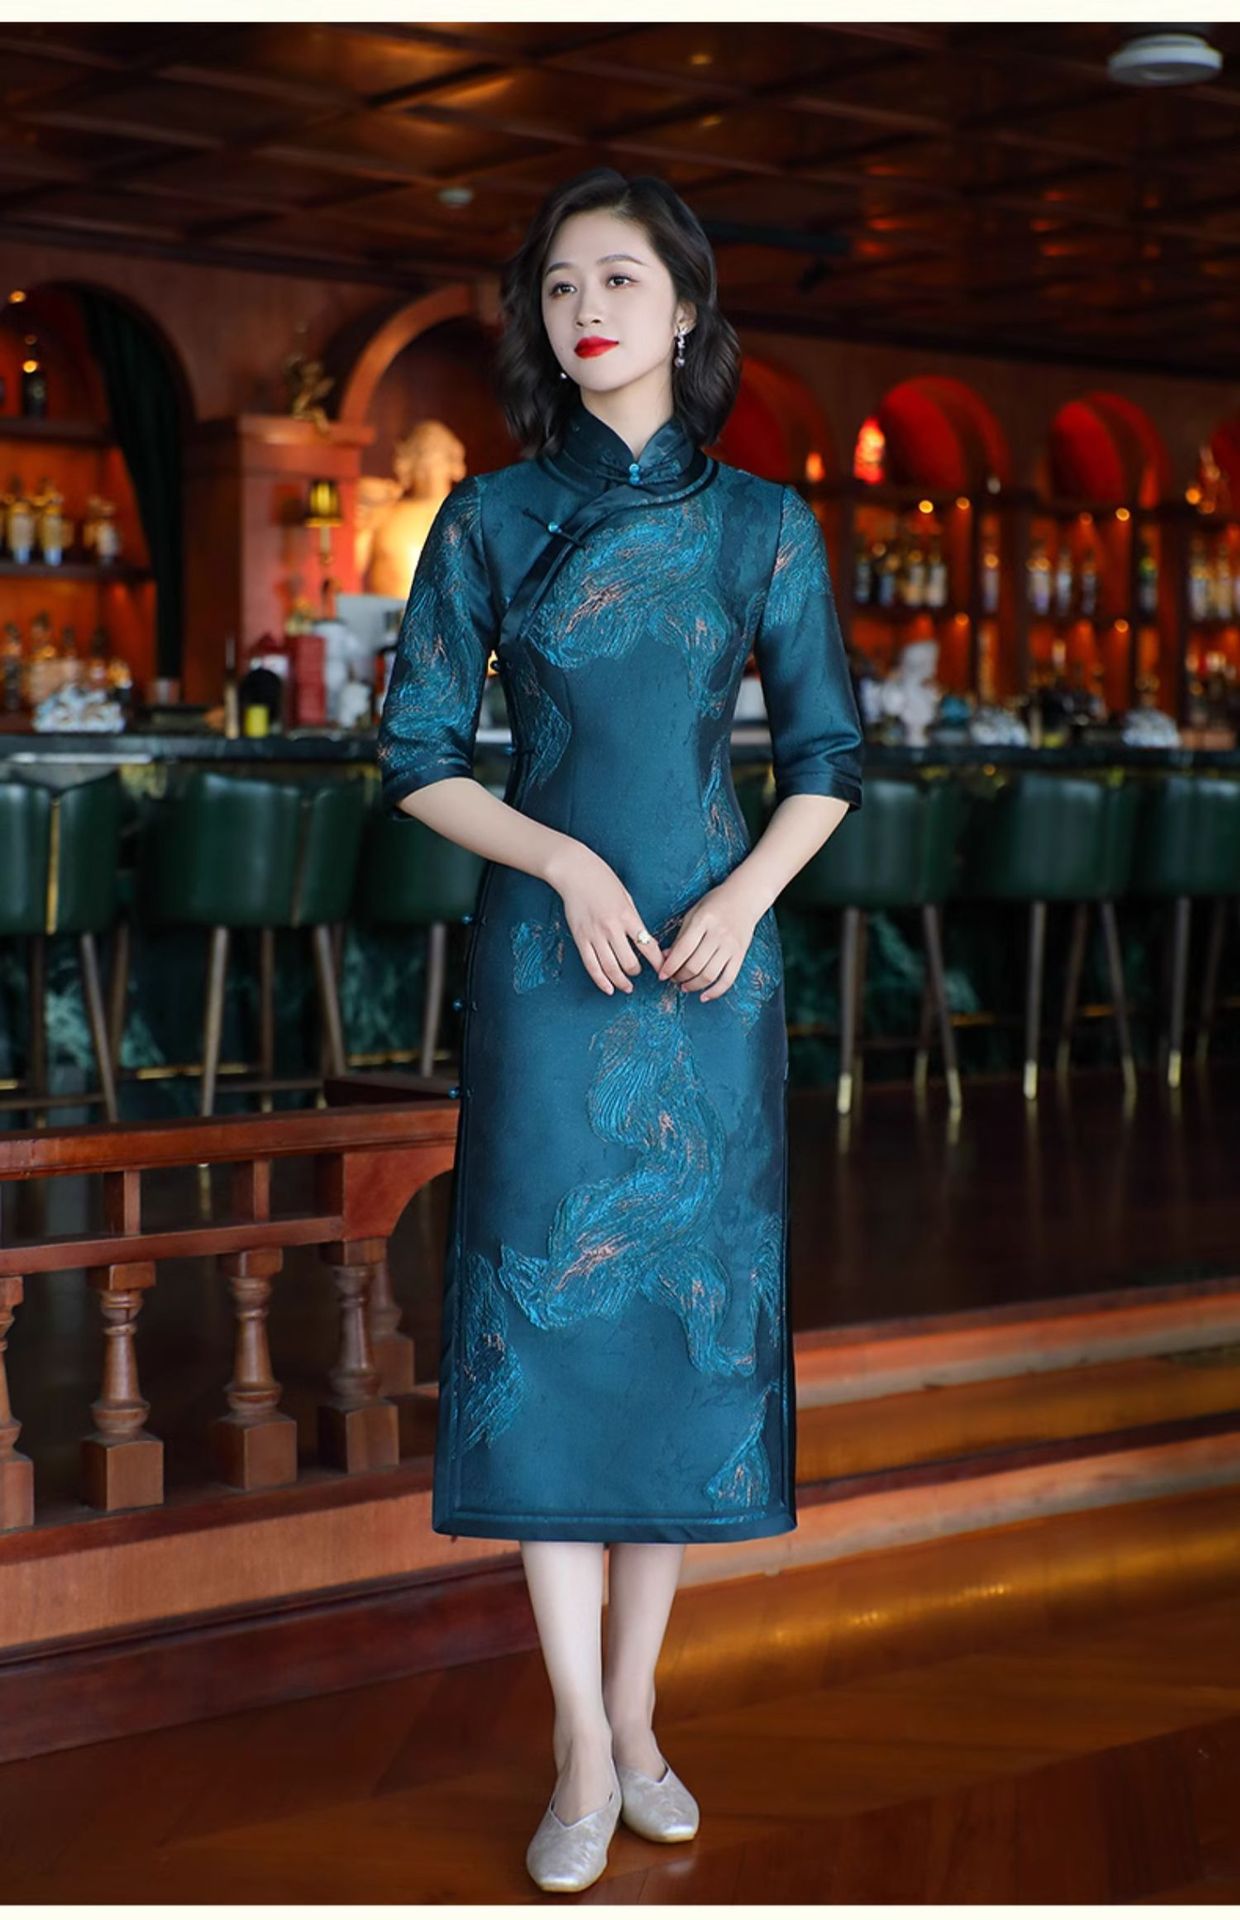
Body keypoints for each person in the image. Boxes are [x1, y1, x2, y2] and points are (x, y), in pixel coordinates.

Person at [377, 165, 863, 1893]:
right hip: (545, 977)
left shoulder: (766, 528)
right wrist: (562, 857)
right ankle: (581, 1749)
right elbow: (418, 758)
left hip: (710, 982)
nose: (587, 309)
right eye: (561, 284)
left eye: (621, 281)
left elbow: (828, 761)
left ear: (686, 310)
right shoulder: (488, 520)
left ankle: (639, 1714)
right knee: (550, 1336)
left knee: (676, 1348)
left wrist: (747, 901)